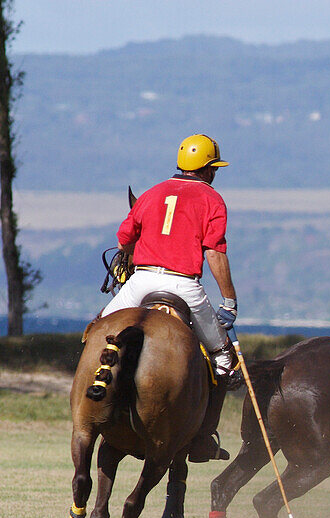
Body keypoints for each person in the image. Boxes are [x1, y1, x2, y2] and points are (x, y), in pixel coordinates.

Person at [100, 133, 241, 462]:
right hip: (184, 285)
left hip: (141, 281)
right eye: (214, 169)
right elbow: (214, 254)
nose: (215, 175)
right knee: (222, 359)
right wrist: (229, 301)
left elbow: (124, 239)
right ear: (206, 170)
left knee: (96, 330)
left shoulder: (151, 193)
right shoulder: (212, 199)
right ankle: (203, 437)